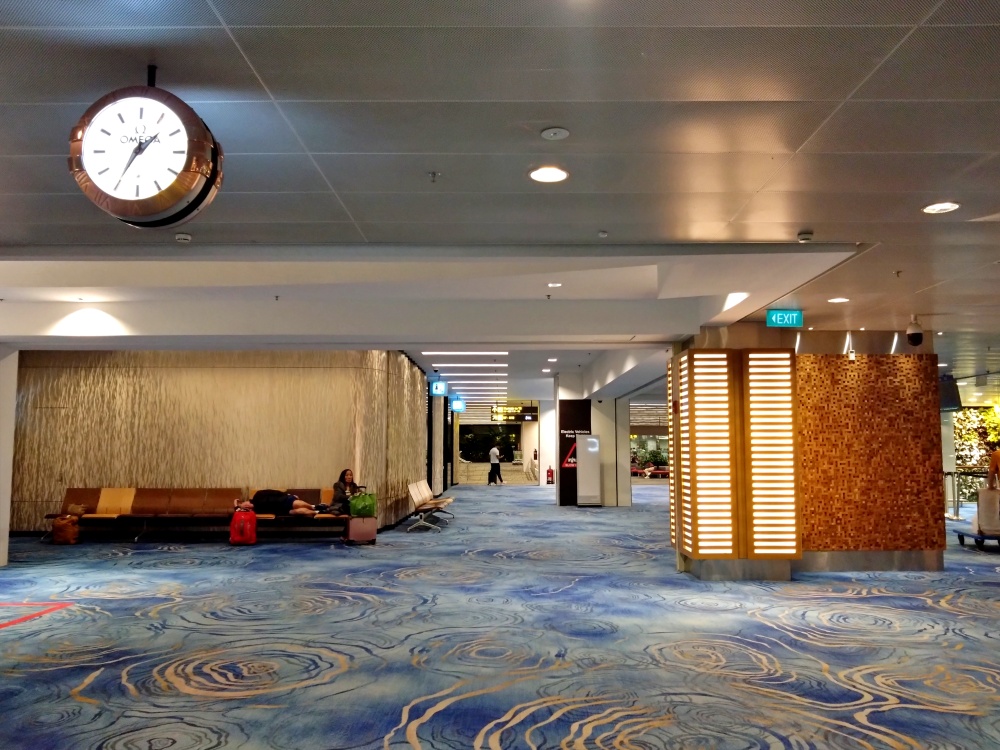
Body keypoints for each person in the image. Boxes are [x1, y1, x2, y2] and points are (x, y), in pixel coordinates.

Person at [235, 489, 328, 516]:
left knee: (297, 504)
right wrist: (237, 505)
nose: (246, 506)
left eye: (244, 504)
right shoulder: (255, 510)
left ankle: (315, 507)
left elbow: (273, 492)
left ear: (246, 501)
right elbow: (237, 510)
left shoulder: (258, 495)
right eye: (245, 507)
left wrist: (287, 494)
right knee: (299, 511)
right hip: (280, 511)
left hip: (283, 500)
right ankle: (319, 512)